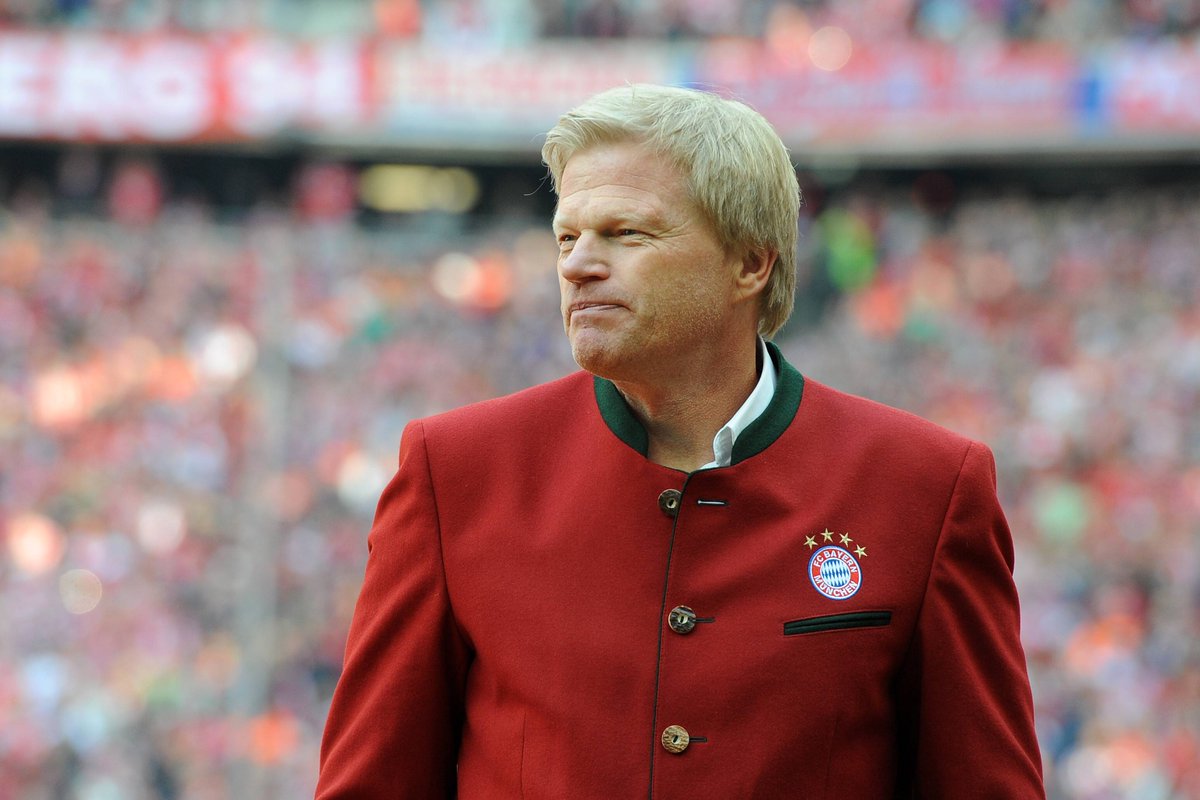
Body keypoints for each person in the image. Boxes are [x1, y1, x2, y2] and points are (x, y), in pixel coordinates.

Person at [314, 84, 1045, 798]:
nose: (576, 264)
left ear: (751, 263)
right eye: (567, 236)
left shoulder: (927, 487)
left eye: (626, 233)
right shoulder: (454, 471)